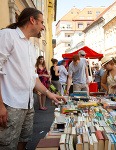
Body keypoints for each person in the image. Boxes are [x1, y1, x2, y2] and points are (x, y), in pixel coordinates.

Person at [0, 8, 65, 150]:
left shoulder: (29, 45)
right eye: (42, 22)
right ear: (32, 20)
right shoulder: (8, 35)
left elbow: (33, 78)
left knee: (23, 141)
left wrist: (49, 94)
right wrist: (0, 105)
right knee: (6, 145)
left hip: (27, 103)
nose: (43, 26)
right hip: (11, 104)